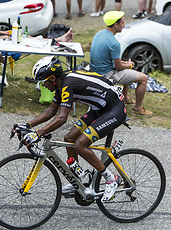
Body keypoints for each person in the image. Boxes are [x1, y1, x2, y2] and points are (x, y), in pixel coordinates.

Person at [19, 56, 126, 202]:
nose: (43, 86)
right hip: (99, 109)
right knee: (69, 139)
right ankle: (78, 179)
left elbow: (62, 118)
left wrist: (37, 134)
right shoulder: (61, 84)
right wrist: (27, 126)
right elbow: (51, 111)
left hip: (114, 109)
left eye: (43, 82)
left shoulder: (68, 84)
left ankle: (111, 179)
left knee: (80, 144)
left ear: (52, 79)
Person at [90, 11, 152, 116]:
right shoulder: (114, 43)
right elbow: (118, 67)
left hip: (95, 71)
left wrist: (125, 64)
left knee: (127, 70)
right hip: (106, 75)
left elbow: (110, 60)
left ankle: (125, 98)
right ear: (116, 25)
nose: (124, 26)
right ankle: (138, 109)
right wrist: (130, 65)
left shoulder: (99, 34)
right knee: (143, 78)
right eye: (122, 23)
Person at [0, 0, 74, 44]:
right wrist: (4, 37)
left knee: (24, 35)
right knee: (27, 39)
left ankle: (56, 40)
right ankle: (56, 41)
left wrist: (4, 32)